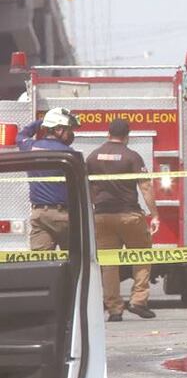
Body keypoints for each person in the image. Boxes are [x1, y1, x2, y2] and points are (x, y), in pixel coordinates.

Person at [87, 119, 160, 322]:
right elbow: (145, 187)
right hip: (129, 215)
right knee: (142, 256)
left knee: (109, 264)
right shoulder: (132, 156)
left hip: (101, 216)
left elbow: (88, 188)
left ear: (108, 133)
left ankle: (114, 309)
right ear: (127, 135)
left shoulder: (93, 157)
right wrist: (154, 214)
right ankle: (138, 301)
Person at [17, 107, 80, 251]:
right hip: (64, 216)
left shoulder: (30, 147)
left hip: (40, 216)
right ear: (58, 129)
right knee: (74, 262)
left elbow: (20, 136)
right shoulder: (69, 154)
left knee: (41, 264)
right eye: (69, 129)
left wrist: (42, 122)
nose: (71, 134)